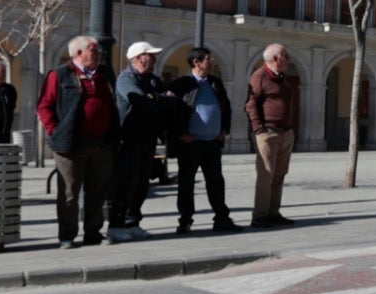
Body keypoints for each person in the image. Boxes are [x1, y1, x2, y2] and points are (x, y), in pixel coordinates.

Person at [36, 35, 118, 247]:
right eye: (94, 50)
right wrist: (56, 131)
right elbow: (44, 106)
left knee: (97, 191)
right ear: (79, 53)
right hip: (71, 144)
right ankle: (67, 236)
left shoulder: (104, 74)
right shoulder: (60, 75)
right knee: (69, 193)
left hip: (101, 142)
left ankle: (93, 234)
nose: (99, 54)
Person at [167, 47, 241, 235]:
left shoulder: (215, 83)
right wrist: (180, 134)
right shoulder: (181, 84)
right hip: (190, 144)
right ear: (196, 62)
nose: (212, 61)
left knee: (216, 182)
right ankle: (185, 220)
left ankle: (221, 218)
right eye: (208, 58)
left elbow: (226, 108)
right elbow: (171, 113)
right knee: (186, 183)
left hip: (212, 143)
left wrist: (224, 130)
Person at [109, 42, 169, 241]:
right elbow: (140, 101)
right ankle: (116, 225)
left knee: (142, 183)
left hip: (148, 138)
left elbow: (169, 101)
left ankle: (133, 222)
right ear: (137, 58)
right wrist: (157, 99)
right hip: (129, 139)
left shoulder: (153, 80)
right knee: (126, 183)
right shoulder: (126, 79)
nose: (154, 59)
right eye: (150, 55)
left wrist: (156, 98)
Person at [245, 43, 299, 227]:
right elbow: (251, 104)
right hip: (268, 133)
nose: (288, 59)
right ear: (276, 59)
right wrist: (259, 129)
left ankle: (273, 212)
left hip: (285, 132)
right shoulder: (259, 77)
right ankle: (260, 216)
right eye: (286, 55)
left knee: (279, 174)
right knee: (266, 175)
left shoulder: (281, 77)